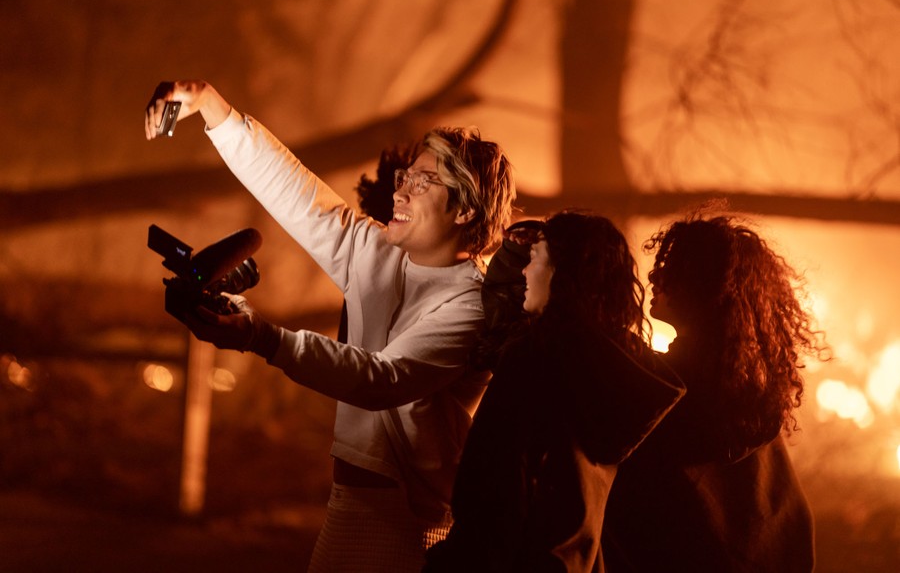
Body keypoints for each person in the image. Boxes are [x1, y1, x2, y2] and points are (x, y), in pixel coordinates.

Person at [145, 80, 515, 572]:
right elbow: (293, 192)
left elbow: (382, 380)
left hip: (410, 528)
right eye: (407, 175)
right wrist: (213, 107)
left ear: (466, 208)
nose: (401, 190)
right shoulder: (377, 251)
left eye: (423, 181)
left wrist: (262, 337)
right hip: (348, 506)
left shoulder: (473, 304)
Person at [423, 211, 686, 572]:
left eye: (534, 260)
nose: (525, 273)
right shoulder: (617, 368)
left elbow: (492, 492)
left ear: (564, 274)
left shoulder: (535, 358)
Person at [601, 210, 828, 572]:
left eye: (673, 268)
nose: (654, 276)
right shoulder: (754, 395)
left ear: (706, 287)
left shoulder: (654, 387)